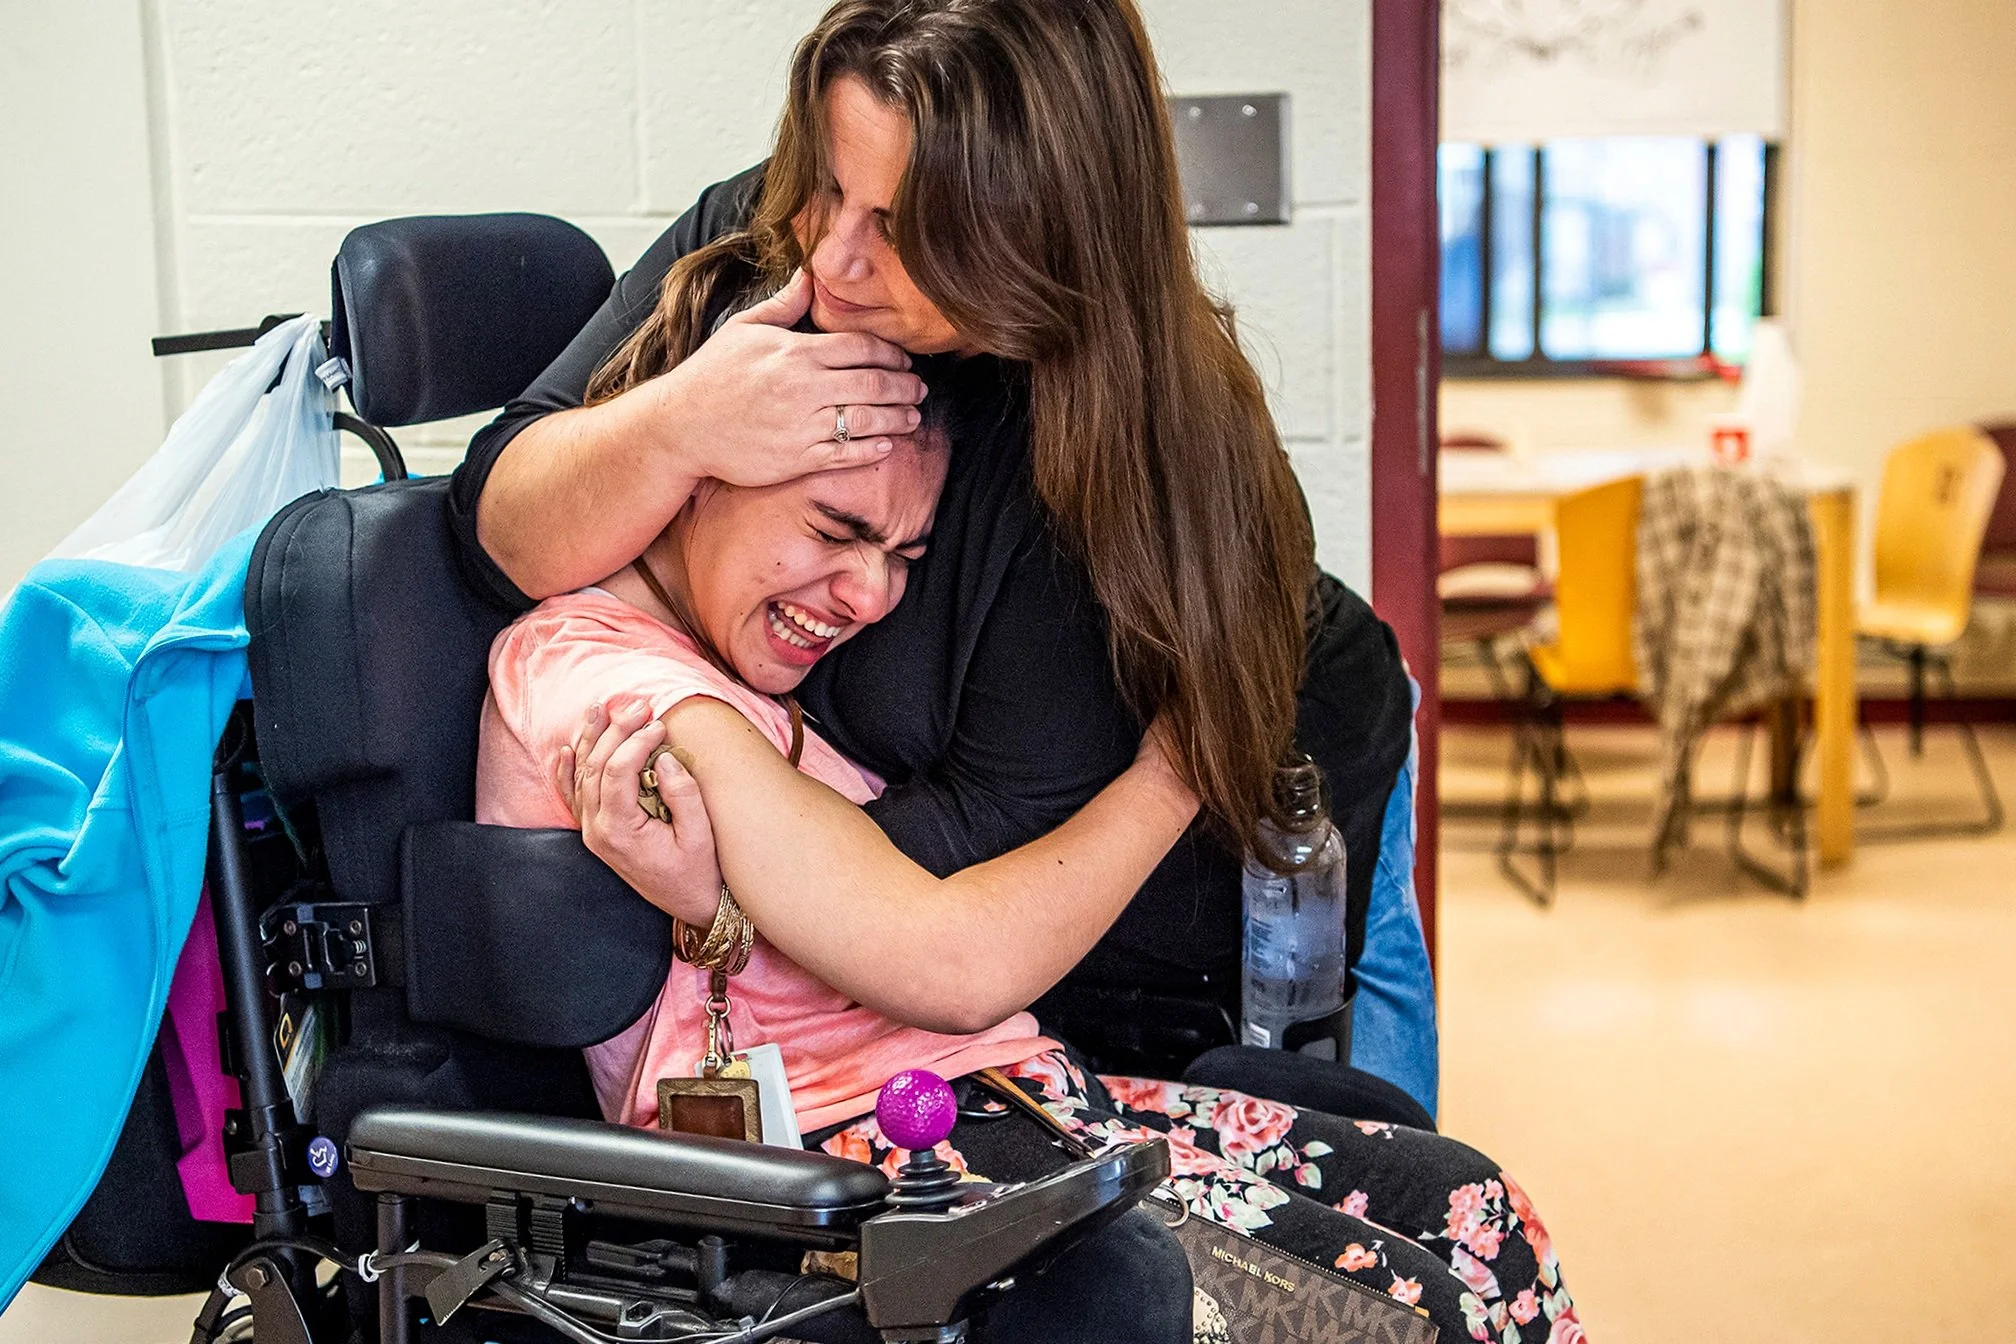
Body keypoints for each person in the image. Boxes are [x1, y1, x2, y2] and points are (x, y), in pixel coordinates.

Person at [475, 378, 1581, 1342]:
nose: (867, 595)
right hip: (861, 1156)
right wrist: (1179, 766)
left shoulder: (731, 678)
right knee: (1396, 1315)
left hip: (1002, 1099)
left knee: (1473, 1209)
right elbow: (947, 966)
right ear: (702, 480)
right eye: (833, 529)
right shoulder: (615, 685)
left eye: (901, 554)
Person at [450, 0, 1420, 1087]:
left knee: (1387, 1184)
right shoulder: (768, 252)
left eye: (907, 228)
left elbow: (953, 910)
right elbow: (501, 530)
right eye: (828, 182)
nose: (834, 256)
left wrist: (734, 864)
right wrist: (679, 421)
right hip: (994, 966)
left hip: (1232, 845)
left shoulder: (1112, 453)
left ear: (1037, 231)